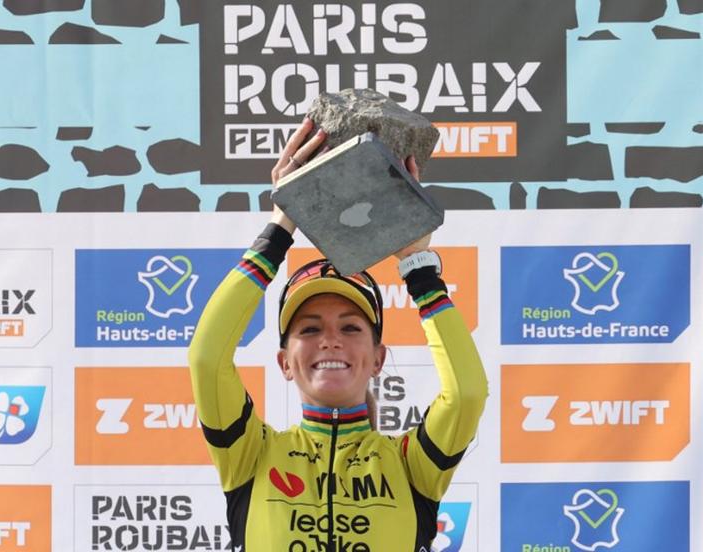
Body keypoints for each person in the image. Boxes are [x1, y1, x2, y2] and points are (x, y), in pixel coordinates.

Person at [188, 118, 488, 551]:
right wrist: (280, 226)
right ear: (284, 362)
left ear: (378, 359)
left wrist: (418, 267)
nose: (330, 340)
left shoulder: (410, 467)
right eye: (310, 328)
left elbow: (467, 394)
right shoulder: (252, 456)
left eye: (350, 327)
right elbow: (206, 359)